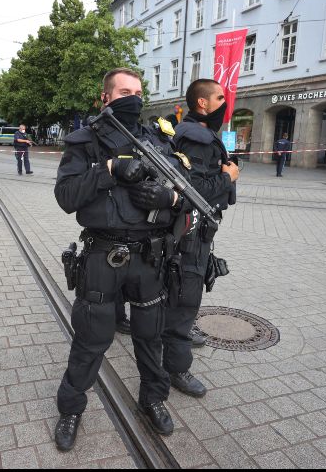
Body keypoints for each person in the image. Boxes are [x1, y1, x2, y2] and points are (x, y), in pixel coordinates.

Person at [54, 67, 185, 451]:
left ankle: (153, 398)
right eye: (125, 91)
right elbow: (66, 197)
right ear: (106, 98)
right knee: (91, 338)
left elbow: (184, 194)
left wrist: (170, 200)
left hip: (150, 258)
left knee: (150, 334)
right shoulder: (84, 142)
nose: (135, 97)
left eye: (139, 91)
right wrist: (108, 170)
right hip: (102, 254)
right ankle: (71, 407)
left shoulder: (157, 140)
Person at [167, 78, 239, 398]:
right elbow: (193, 193)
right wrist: (227, 177)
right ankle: (177, 367)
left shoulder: (193, 132)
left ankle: (174, 335)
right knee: (187, 293)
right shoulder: (196, 137)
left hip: (189, 229)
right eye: (220, 98)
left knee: (178, 287)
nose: (225, 102)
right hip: (191, 230)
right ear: (203, 104)